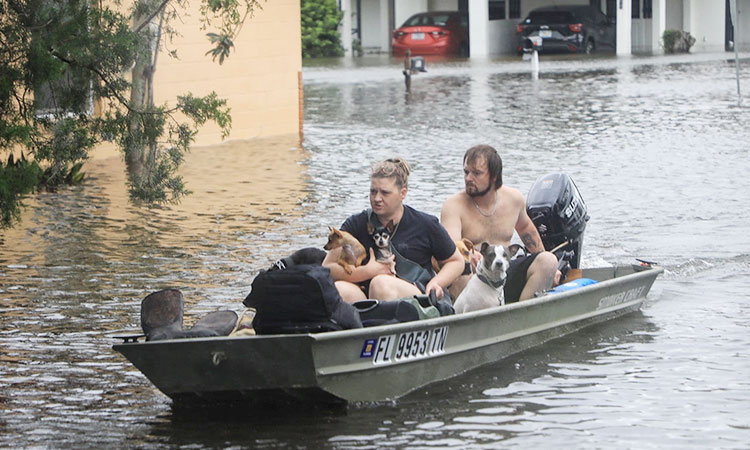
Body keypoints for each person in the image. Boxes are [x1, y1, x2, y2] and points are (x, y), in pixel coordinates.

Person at [323, 157, 465, 303]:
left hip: (414, 294)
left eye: (385, 193)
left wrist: (436, 283)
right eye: (373, 192)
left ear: (403, 193)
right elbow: (327, 268)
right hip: (366, 294)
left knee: (381, 284)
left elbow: (455, 261)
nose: (377, 198)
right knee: (340, 289)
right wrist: (366, 272)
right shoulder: (355, 224)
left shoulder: (426, 224)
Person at [441, 145, 558, 303]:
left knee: (548, 261)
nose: (468, 178)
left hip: (504, 274)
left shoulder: (514, 199)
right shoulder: (453, 205)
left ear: (494, 176)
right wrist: (469, 255)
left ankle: (522, 318)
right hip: (475, 281)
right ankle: (471, 323)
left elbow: (526, 230)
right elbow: (451, 246)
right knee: (461, 271)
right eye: (466, 172)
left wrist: (553, 271)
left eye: (476, 173)